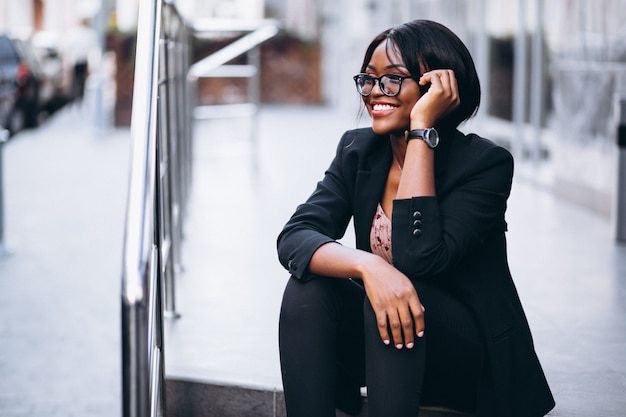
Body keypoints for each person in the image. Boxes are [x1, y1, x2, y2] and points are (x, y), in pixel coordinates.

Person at [276, 19, 555, 417]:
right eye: (369, 80)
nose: (375, 93)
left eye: (393, 79)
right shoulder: (358, 152)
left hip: (463, 358)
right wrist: (368, 265)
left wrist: (421, 131)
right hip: (387, 347)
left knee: (394, 294)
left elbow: (418, 258)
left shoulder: (485, 164)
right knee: (308, 288)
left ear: (435, 89)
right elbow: (295, 236)